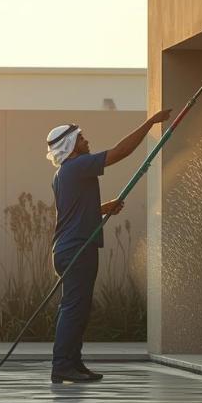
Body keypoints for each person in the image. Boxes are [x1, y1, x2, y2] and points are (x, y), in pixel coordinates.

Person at [44, 110, 171, 383]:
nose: (86, 141)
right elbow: (119, 152)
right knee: (74, 307)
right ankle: (62, 365)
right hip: (77, 248)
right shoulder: (77, 166)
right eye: (81, 138)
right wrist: (150, 123)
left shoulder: (64, 174)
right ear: (70, 146)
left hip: (72, 247)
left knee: (78, 307)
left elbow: (73, 212)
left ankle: (73, 364)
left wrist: (103, 209)